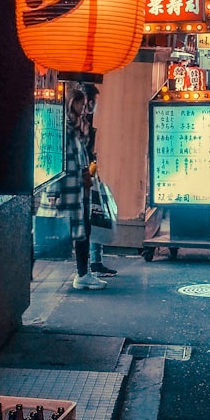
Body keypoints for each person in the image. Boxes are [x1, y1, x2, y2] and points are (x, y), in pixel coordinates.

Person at [50, 88, 106, 290]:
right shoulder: (64, 128)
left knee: (84, 230)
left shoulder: (75, 127)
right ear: (72, 103)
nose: (84, 108)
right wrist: (54, 191)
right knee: (77, 230)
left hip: (79, 187)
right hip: (68, 188)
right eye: (81, 104)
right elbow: (57, 160)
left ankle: (83, 273)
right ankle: (83, 274)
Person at [82, 84, 117, 277]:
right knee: (89, 219)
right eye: (93, 101)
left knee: (95, 216)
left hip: (89, 175)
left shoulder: (85, 121)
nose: (95, 105)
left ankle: (94, 261)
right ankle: (86, 267)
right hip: (81, 179)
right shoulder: (77, 123)